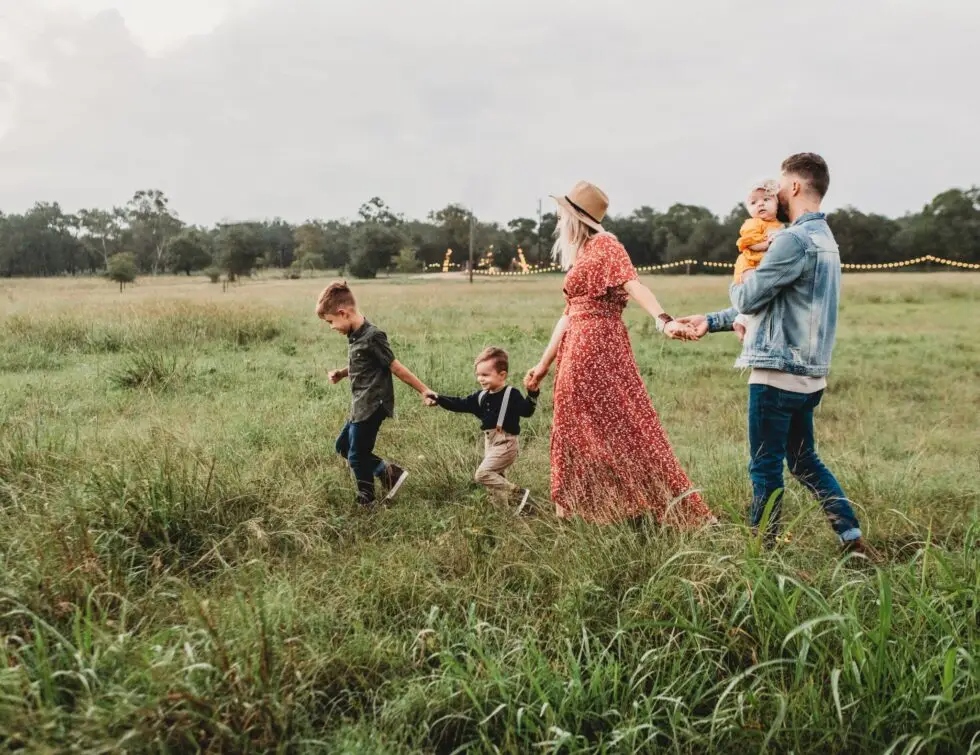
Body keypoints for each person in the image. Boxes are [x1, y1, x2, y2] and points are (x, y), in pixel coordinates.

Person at [677, 154, 878, 558]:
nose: (777, 194)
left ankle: (761, 553)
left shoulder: (791, 240)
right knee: (804, 462)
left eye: (782, 187)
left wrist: (743, 277)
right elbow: (777, 304)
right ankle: (851, 539)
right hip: (810, 376)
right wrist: (712, 321)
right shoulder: (826, 241)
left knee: (765, 467)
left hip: (776, 375)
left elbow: (750, 296)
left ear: (797, 187)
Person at [524, 180, 714, 527]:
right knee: (576, 428)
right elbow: (568, 314)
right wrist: (542, 365)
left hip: (597, 346)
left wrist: (663, 321)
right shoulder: (583, 253)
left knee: (624, 426)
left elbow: (633, 284)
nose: (557, 221)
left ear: (575, 218)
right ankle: (588, 509)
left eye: (561, 215)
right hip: (576, 347)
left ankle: (643, 504)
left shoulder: (606, 245)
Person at [316, 281, 432, 508]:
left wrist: (424, 390)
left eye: (330, 322)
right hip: (360, 405)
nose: (331, 327)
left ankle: (366, 500)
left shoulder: (373, 336)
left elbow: (395, 367)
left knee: (357, 455)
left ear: (343, 313)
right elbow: (364, 363)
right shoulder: (356, 336)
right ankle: (389, 473)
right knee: (342, 447)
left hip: (373, 405)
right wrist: (341, 373)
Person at [425, 346, 538, 514]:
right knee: (494, 483)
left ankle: (518, 493)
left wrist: (532, 393)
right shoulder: (481, 396)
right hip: (490, 442)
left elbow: (527, 411)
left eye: (485, 375)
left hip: (506, 443)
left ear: (502, 375)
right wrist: (439, 398)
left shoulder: (511, 394)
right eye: (478, 375)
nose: (480, 379)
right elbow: (459, 403)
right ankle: (504, 516)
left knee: (483, 474)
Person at [733, 180, 784, 342]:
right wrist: (767, 244)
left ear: (777, 203)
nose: (760, 204)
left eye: (766, 200)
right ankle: (745, 323)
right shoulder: (752, 223)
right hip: (750, 264)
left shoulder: (778, 224)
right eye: (754, 202)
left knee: (763, 297)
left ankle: (743, 321)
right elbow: (750, 243)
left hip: (763, 264)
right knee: (754, 292)